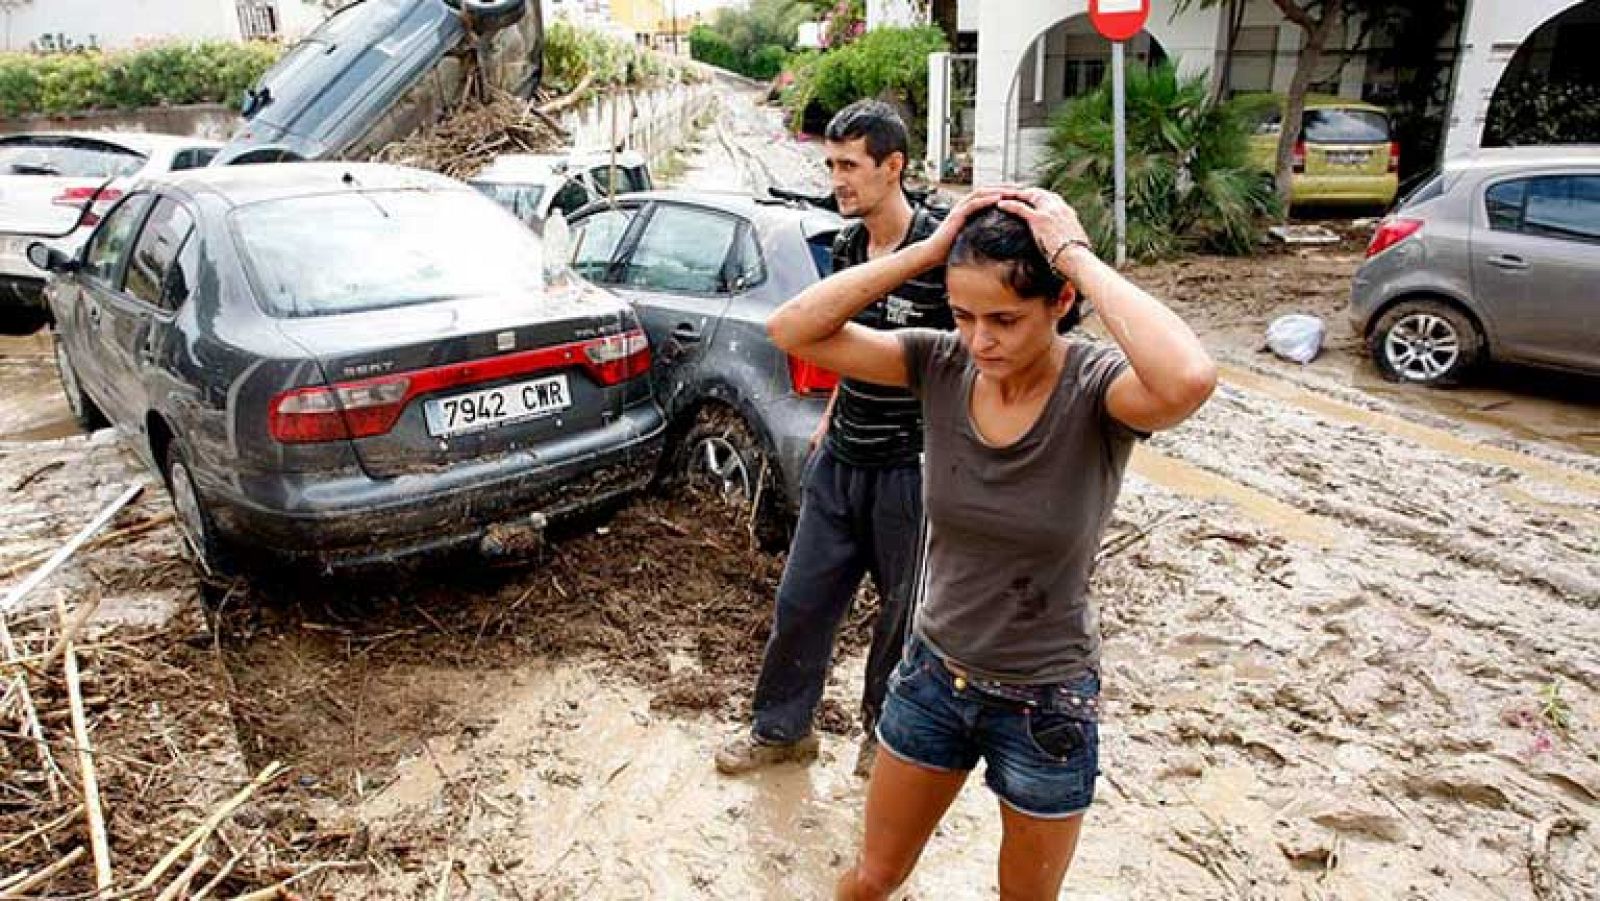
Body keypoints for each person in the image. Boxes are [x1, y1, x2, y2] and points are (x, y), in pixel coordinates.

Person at [766, 187, 1217, 900]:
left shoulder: (1097, 390)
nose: (982, 340)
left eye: (1005, 319)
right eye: (964, 314)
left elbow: (1188, 378)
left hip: (1045, 702)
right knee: (871, 877)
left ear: (1059, 301)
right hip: (932, 680)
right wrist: (929, 246)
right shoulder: (939, 365)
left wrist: (1076, 253)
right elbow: (793, 329)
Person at [715, 100, 953, 779]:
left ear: (894, 166)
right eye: (831, 164)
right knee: (803, 599)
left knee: (901, 616)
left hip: (912, 467)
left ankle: (884, 740)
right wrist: (831, 414)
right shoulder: (847, 246)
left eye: (850, 165)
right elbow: (838, 338)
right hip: (842, 456)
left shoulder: (942, 250)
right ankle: (782, 730)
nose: (837, 178)